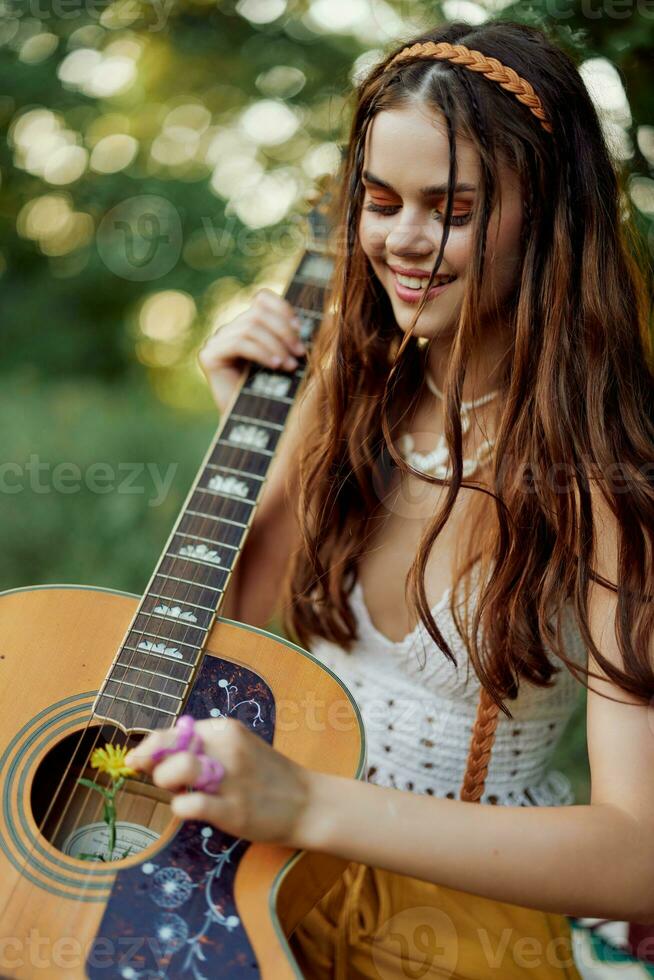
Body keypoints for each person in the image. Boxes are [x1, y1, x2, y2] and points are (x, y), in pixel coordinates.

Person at [125, 19, 654, 979]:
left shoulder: (604, 478)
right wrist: (245, 436)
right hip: (273, 890)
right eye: (380, 201)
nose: (403, 241)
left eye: (451, 210)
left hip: (467, 924)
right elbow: (229, 644)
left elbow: (638, 855)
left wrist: (310, 804)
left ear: (546, 220)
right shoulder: (350, 394)